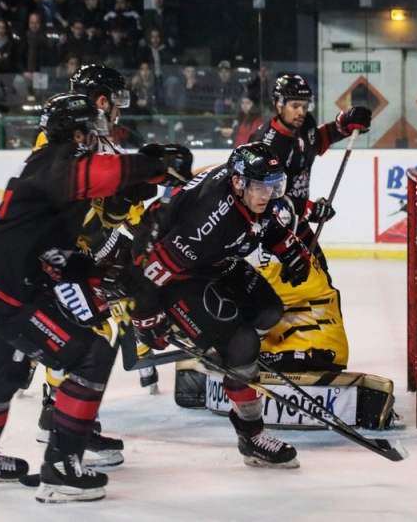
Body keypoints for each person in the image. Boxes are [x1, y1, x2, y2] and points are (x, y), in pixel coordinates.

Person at [0, 91, 192, 502]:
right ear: (78, 130)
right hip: (8, 285)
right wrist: (157, 164)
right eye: (92, 126)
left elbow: (59, 252)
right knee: (91, 354)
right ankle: (61, 469)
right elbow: (105, 173)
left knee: (2, 377)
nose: (97, 133)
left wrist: (104, 272)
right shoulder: (59, 161)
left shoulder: (46, 168)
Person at [33, 65, 190, 466]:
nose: (117, 113)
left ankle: (57, 414)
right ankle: (65, 425)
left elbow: (115, 202)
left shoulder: (100, 143)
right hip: (54, 259)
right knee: (86, 334)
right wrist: (127, 197)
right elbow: (80, 209)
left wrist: (144, 205)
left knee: (92, 326)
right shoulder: (63, 140)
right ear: (101, 101)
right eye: (114, 103)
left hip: (72, 257)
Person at [126, 142, 310, 468]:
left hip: (214, 260)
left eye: (272, 186)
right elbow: (149, 271)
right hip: (174, 273)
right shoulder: (209, 221)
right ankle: (251, 435)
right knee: (242, 342)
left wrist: (288, 247)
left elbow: (264, 222)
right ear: (239, 183)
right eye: (260, 187)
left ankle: (230, 359)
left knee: (269, 310)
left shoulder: (249, 190)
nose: (267, 194)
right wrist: (145, 318)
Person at [246, 74, 371, 373]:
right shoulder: (268, 145)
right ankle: (251, 347)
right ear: (278, 104)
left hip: (296, 225)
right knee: (272, 293)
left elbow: (318, 139)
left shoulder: (304, 127)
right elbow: (261, 199)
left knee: (320, 281)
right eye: (294, 106)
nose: (300, 112)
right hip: (269, 233)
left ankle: (308, 344)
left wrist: (344, 123)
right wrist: (311, 208)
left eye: (304, 105)